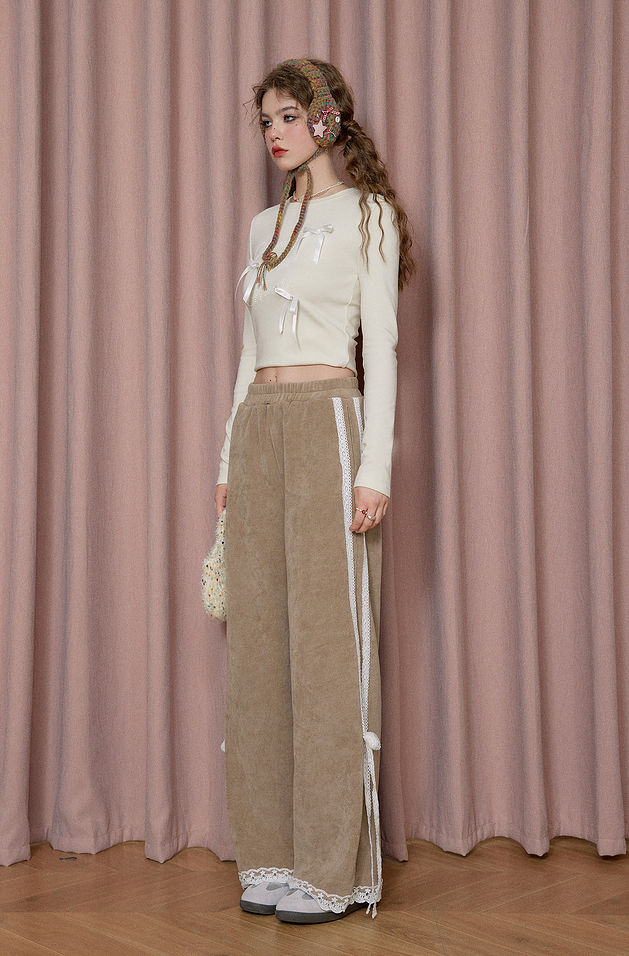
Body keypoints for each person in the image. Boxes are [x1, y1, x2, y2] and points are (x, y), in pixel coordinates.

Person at [214, 58, 414, 925]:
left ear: (327, 119)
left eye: (289, 116)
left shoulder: (369, 215)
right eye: (266, 120)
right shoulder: (263, 225)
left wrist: (376, 468)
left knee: (329, 653)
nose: (274, 133)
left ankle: (332, 867)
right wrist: (228, 461)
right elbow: (248, 354)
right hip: (260, 428)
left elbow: (385, 349)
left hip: (332, 421)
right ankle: (270, 853)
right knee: (260, 649)